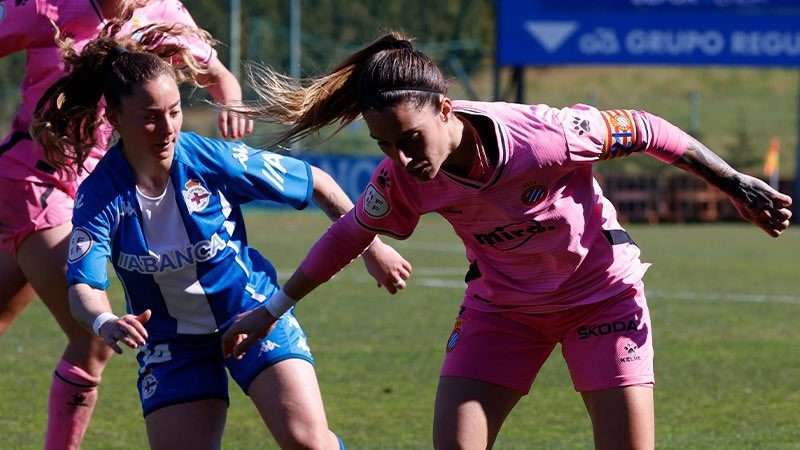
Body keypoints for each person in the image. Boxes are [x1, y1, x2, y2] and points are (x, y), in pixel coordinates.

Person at [221, 32, 793, 450]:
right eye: (383, 143)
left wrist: (735, 183)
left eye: (410, 138)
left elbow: (648, 128)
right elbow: (348, 235)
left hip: (601, 300)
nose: (400, 157)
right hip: (502, 313)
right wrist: (271, 311)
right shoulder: (401, 179)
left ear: (445, 109)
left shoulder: (545, 136)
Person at [32, 25, 411, 450]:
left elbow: (317, 182)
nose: (167, 128)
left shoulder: (209, 160)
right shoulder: (100, 195)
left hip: (250, 313)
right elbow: (83, 286)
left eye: (174, 112)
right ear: (116, 118)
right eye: (150, 118)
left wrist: (373, 248)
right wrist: (105, 321)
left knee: (309, 444)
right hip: (173, 344)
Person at [0, 1, 252, 448]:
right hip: (32, 181)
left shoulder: (163, 12)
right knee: (92, 338)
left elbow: (219, 75)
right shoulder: (46, 6)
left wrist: (231, 102)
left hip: (76, 190)